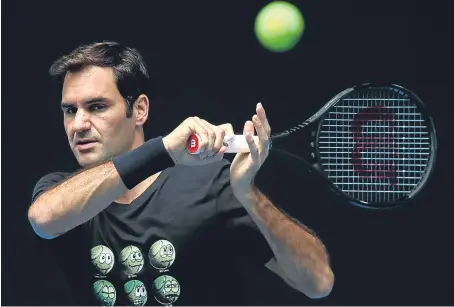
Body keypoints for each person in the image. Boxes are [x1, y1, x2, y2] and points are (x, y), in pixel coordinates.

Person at [28, 41, 334, 306]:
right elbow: (44, 220)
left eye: (96, 107)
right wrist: (163, 151)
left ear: (139, 110)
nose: (78, 124)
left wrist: (247, 193)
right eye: (70, 110)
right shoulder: (58, 190)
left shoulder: (209, 184)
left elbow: (317, 283)